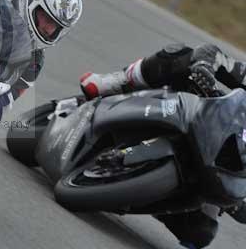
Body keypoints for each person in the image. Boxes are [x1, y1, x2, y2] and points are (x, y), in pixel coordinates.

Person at [80, 42, 246, 249]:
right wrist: (204, 67)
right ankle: (114, 82)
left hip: (215, 169)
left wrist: (238, 202)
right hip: (196, 114)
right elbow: (213, 53)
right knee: (182, 55)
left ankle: (144, 194)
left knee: (200, 233)